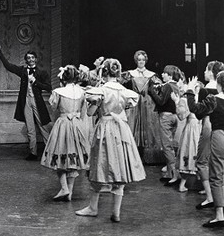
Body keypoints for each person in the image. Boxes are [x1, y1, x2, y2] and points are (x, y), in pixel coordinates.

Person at [75, 58, 143, 223]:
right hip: (121, 131)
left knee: (99, 166)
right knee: (119, 167)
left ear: (103, 73)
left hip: (105, 129)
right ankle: (116, 212)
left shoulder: (101, 91)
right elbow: (128, 105)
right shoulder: (124, 91)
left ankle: (93, 207)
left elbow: (90, 113)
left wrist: (93, 105)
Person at [183, 71, 224, 228]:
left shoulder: (215, 99)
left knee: (217, 177)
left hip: (220, 137)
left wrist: (190, 91)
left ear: (220, 84)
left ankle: (219, 216)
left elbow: (195, 109)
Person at [0, 42, 52, 160]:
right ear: (26, 60)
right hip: (26, 101)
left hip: (37, 102)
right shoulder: (23, 71)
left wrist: (36, 82)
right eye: (28, 58)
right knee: (30, 128)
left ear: (36, 59)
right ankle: (33, 153)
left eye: (32, 57)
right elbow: (8, 66)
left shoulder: (42, 72)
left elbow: (48, 87)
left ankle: (49, 152)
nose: (30, 60)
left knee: (42, 127)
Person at [40, 65, 90, 201]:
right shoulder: (82, 92)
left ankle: (64, 188)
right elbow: (84, 112)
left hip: (63, 124)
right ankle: (69, 191)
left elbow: (54, 107)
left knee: (60, 154)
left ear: (63, 78)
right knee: (73, 157)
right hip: (77, 125)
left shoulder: (58, 92)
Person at [193, 60, 224, 209]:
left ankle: (210, 197)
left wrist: (193, 94)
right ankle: (221, 198)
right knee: (219, 163)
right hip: (223, 128)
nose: (204, 72)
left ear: (212, 72)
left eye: (206, 69)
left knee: (201, 161)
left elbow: (199, 113)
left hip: (208, 124)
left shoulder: (205, 90)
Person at [122, 50, 163, 164]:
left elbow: (159, 88)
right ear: (136, 60)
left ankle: (149, 156)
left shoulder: (151, 75)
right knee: (133, 125)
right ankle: (133, 156)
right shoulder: (130, 74)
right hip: (135, 102)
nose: (141, 62)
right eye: (139, 60)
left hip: (147, 103)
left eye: (143, 60)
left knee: (148, 126)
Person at [148, 65, 181, 185]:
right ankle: (169, 174)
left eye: (164, 73)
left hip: (166, 117)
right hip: (174, 117)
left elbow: (161, 101)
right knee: (170, 144)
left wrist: (152, 91)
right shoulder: (176, 86)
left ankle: (174, 175)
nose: (162, 75)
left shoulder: (168, 86)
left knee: (167, 146)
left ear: (170, 75)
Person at [172, 75, 202, 192]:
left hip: (200, 128)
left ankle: (204, 185)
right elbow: (181, 116)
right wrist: (177, 102)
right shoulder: (187, 100)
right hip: (191, 128)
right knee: (189, 151)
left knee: (200, 154)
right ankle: (182, 184)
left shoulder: (201, 98)